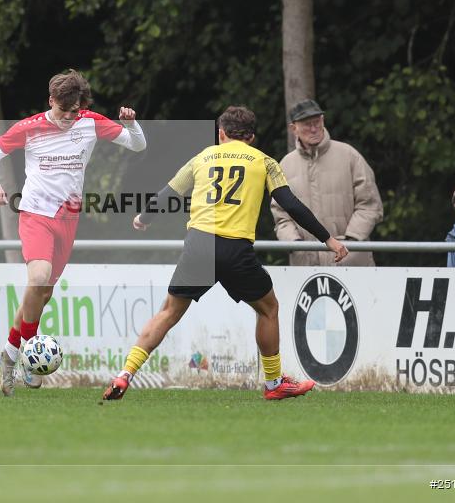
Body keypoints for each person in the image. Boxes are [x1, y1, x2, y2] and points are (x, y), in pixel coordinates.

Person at [102, 106, 348, 401]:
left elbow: (167, 194)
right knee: (268, 309)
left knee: (168, 313)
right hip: (235, 249)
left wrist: (143, 218)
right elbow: (291, 205)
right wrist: (328, 240)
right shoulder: (264, 162)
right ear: (252, 137)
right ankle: (273, 383)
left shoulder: (202, 157)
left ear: (221, 133)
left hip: (198, 245)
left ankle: (124, 374)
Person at [0, 69, 146, 396]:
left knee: (41, 293)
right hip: (35, 213)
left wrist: (131, 124)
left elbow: (137, 145)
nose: (69, 118)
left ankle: (9, 355)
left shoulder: (90, 122)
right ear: (50, 101)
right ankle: (29, 352)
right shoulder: (30, 127)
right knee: (38, 276)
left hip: (68, 219)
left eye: (75, 111)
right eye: (62, 111)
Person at [271, 99, 382, 266]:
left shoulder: (349, 155)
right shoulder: (285, 165)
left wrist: (350, 241)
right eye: (307, 124)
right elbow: (281, 215)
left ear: (323, 120)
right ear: (293, 129)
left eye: (317, 122)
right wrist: (295, 243)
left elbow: (370, 204)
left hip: (351, 261)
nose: (314, 128)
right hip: (306, 266)